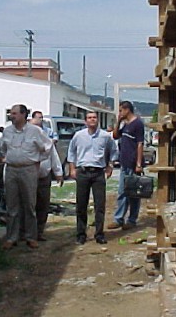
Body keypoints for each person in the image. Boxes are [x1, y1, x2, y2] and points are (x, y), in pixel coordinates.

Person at [0, 104, 53, 250]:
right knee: (12, 206)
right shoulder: (7, 131)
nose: (11, 116)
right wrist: (2, 158)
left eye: (14, 113)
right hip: (11, 170)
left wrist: (38, 160)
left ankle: (31, 237)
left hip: (28, 170)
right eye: (10, 113)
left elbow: (48, 146)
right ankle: (12, 237)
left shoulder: (35, 131)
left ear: (23, 114)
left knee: (30, 205)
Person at [68, 112, 118, 245]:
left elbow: (114, 151)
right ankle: (81, 234)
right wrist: (72, 168)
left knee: (99, 205)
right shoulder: (79, 136)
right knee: (81, 205)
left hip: (98, 173)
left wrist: (110, 166)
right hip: (82, 172)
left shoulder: (105, 136)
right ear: (85, 121)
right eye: (89, 118)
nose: (92, 120)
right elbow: (71, 151)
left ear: (98, 120)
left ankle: (99, 234)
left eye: (94, 117)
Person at [108, 101, 145, 230]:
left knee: (133, 193)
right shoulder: (125, 124)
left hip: (133, 163)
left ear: (127, 110)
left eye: (121, 110)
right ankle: (118, 219)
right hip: (124, 163)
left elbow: (140, 144)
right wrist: (118, 121)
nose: (120, 113)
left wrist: (138, 164)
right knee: (122, 192)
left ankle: (132, 220)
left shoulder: (137, 124)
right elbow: (115, 135)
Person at [28, 112, 63, 241]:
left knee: (43, 205)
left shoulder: (47, 141)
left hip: (44, 177)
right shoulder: (25, 140)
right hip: (29, 178)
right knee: (29, 205)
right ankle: (27, 232)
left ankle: (39, 232)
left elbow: (54, 157)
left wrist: (58, 173)